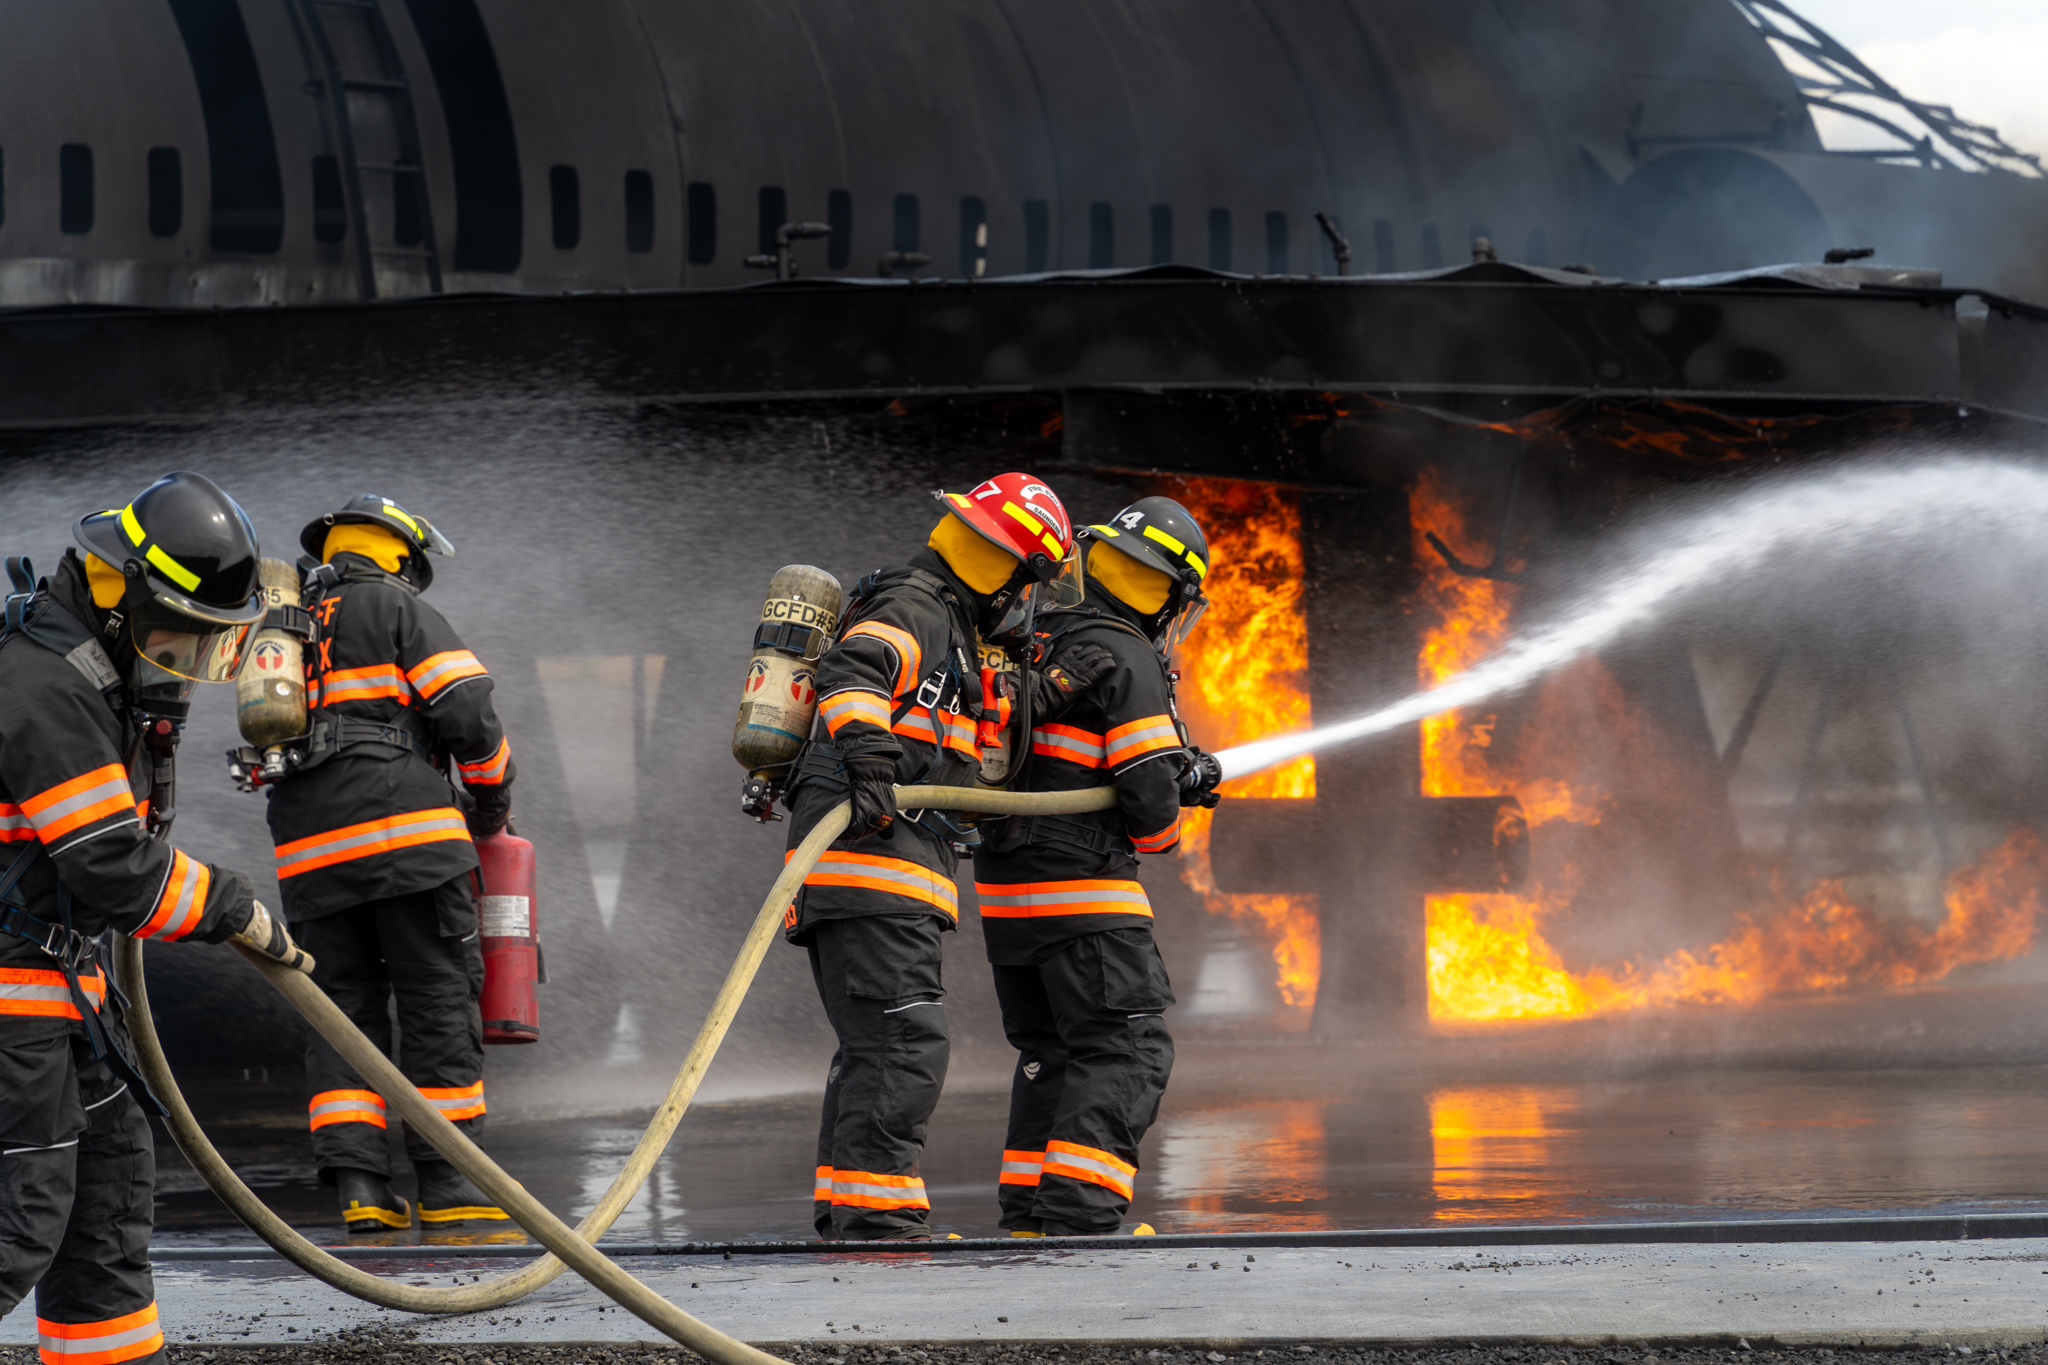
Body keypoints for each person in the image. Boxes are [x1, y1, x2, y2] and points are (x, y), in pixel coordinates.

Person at [1, 471, 310, 1365]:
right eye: (180, 632)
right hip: (15, 1005)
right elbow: (109, 866)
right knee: (18, 1223)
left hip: (70, 1002)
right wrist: (232, 904)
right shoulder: (41, 683)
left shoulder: (87, 675)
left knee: (104, 1210)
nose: (184, 660)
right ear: (124, 590)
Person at [782, 472, 1081, 1241]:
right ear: (1005, 567)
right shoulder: (918, 606)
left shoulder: (947, 624)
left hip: (888, 868)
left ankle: (855, 1208)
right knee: (905, 1039)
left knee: (878, 1043)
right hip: (869, 864)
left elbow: (975, 722)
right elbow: (852, 671)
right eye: (1027, 582)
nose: (1025, 598)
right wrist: (872, 760)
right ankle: (877, 1218)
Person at [971, 495, 1223, 1237]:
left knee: (1050, 1050)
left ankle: (1029, 1218)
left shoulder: (1026, 638)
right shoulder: (1128, 651)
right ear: (1170, 591)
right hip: (1083, 887)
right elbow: (1148, 802)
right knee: (1128, 1045)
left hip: (1005, 890)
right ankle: (1080, 1219)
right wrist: (1173, 813)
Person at [262, 495, 514, 1233]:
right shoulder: (394, 608)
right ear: (399, 555)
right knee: (436, 995)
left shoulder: (284, 629)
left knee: (341, 1010)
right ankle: (448, 1179)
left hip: (309, 853)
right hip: (407, 837)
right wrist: (491, 804)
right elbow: (468, 714)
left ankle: (361, 1188)